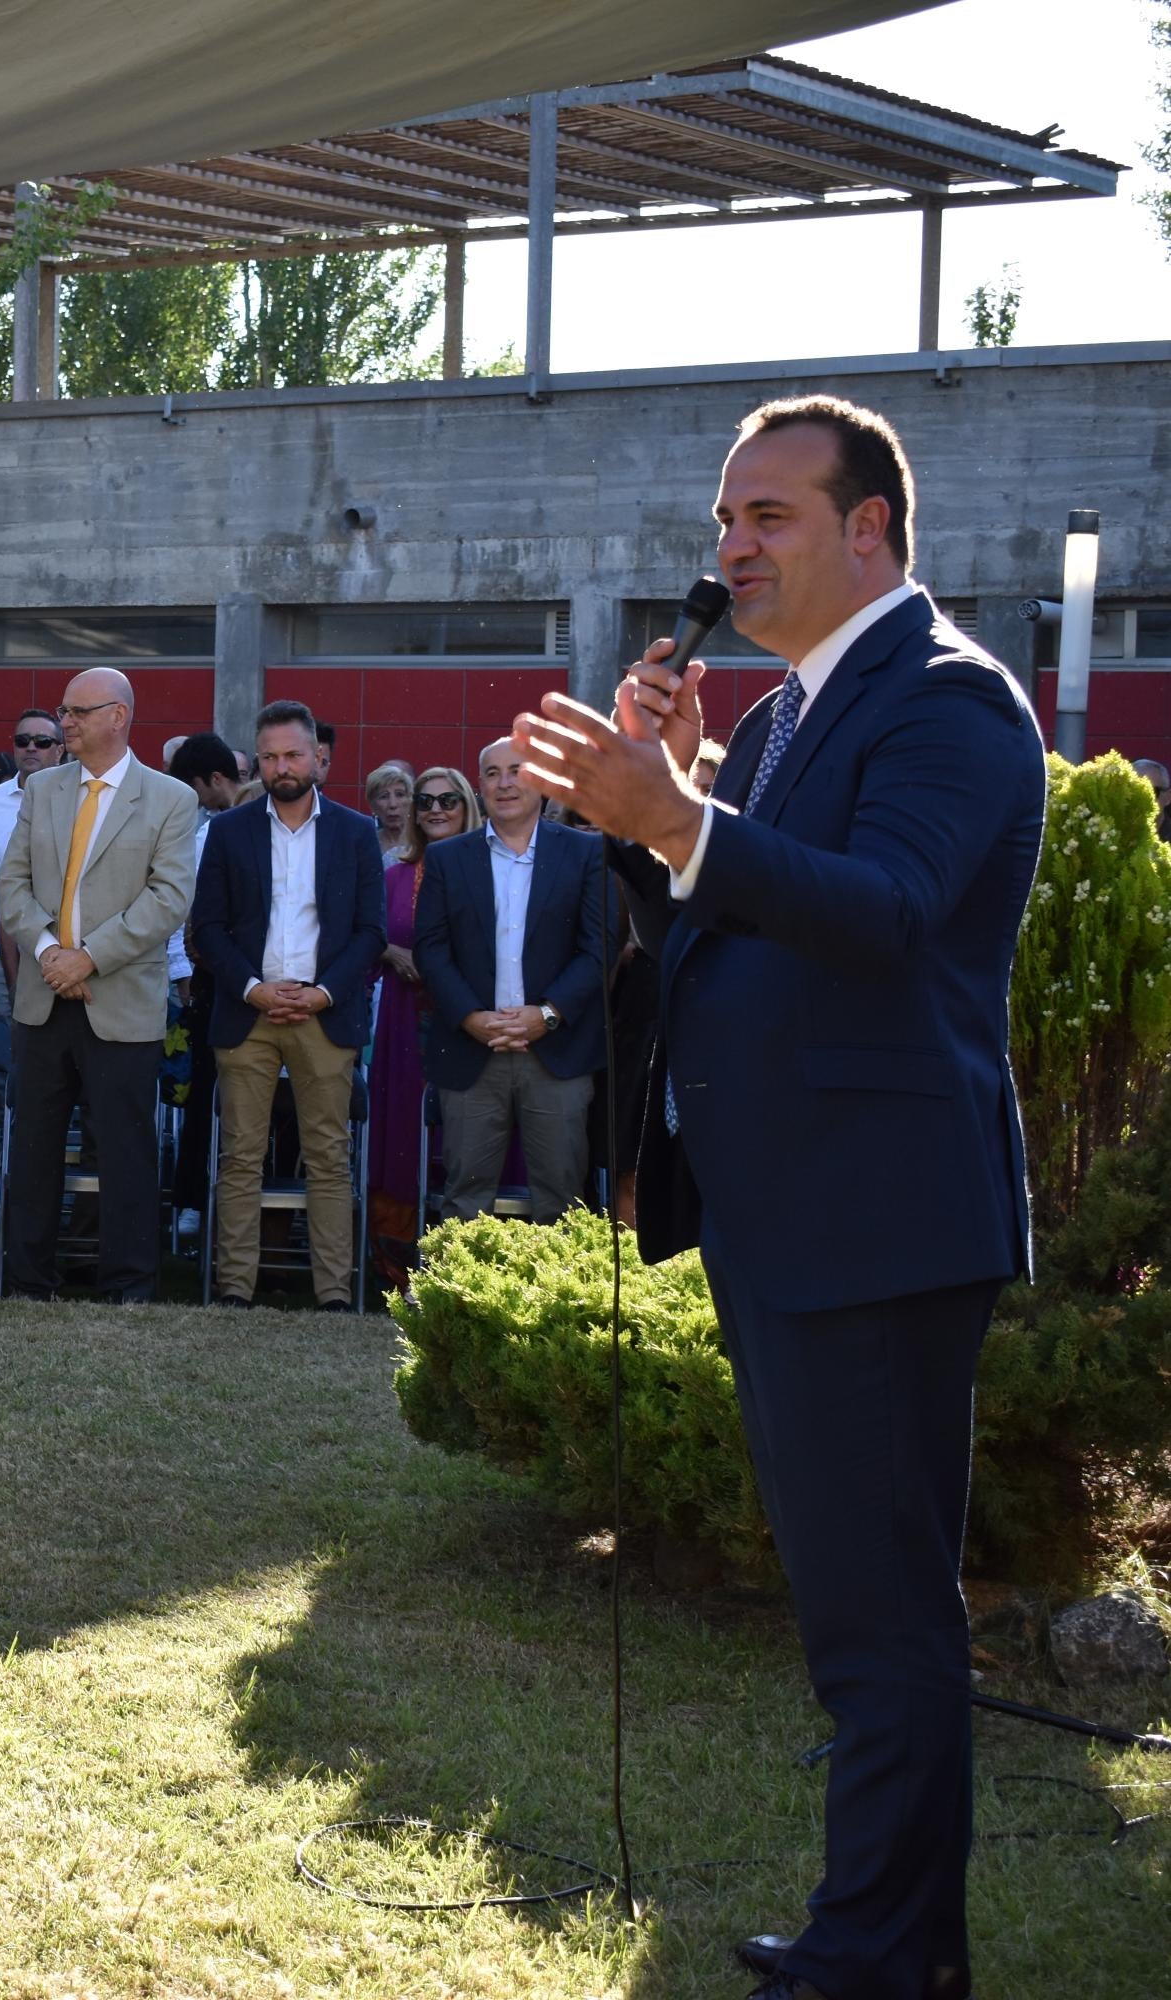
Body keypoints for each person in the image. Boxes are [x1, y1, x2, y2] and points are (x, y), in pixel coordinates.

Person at [514, 396, 1046, 2000]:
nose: (729, 548)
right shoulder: (776, 722)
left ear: (869, 527)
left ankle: (889, 1961)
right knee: (850, 1612)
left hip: (879, 1224)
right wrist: (662, 810)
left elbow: (882, 914)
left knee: (886, 1625)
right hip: (782, 1215)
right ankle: (876, 1933)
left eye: (770, 517)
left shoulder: (951, 701)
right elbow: (720, 930)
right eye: (725, 520)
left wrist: (677, 815)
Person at [0, 669, 198, 1302]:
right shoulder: (43, 789)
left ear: (119, 717)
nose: (65, 723)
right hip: (43, 997)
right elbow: (10, 886)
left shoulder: (169, 798)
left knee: (126, 1155)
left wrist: (90, 959)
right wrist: (53, 952)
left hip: (120, 1003)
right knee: (32, 1149)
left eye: (78, 712)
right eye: (63, 711)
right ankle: (27, 1284)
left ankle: (127, 1289)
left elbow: (169, 898)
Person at [191, 698, 386, 1311]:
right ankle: (233, 1291)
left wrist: (323, 992)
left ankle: (332, 1295)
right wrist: (254, 988)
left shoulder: (356, 833)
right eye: (270, 756)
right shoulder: (227, 831)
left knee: (328, 1157)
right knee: (241, 1154)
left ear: (319, 760)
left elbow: (370, 933)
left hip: (325, 1013)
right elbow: (210, 928)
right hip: (249, 1010)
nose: (282, 766)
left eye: (293, 754)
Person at [413, 737, 607, 1219]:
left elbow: (598, 949)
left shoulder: (586, 853)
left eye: (517, 770)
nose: (505, 783)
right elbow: (431, 951)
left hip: (556, 1051)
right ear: (479, 786)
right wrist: (470, 1017)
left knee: (564, 1198)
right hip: (472, 1050)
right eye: (493, 773)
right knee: (464, 1198)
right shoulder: (447, 858)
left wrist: (548, 1014)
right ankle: (458, 1296)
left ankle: (562, 1298)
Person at [369, 765, 479, 1269]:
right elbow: (365, 938)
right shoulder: (392, 873)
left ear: (467, 807)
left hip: (470, 1025)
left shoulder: (491, 869)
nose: (435, 809)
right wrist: (392, 952)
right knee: (403, 1134)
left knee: (468, 1137)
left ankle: (467, 1265)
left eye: (448, 800)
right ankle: (399, 1266)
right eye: (425, 801)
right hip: (402, 1020)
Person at [161, 730, 244, 1236]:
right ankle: (193, 1201)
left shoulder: (231, 830)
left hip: (255, 985)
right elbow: (178, 914)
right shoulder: (199, 835)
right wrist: (185, 978)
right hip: (209, 988)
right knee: (201, 1098)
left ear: (214, 780)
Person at [0, 708, 67, 1030]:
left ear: (60, 750)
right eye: (23, 741)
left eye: (42, 741)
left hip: (59, 955)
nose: (31, 747)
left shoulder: (77, 802)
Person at [364, 760, 416, 861]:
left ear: (411, 799)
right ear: (372, 805)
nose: (392, 804)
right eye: (383, 796)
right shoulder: (364, 844)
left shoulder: (425, 843)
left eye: (400, 794)